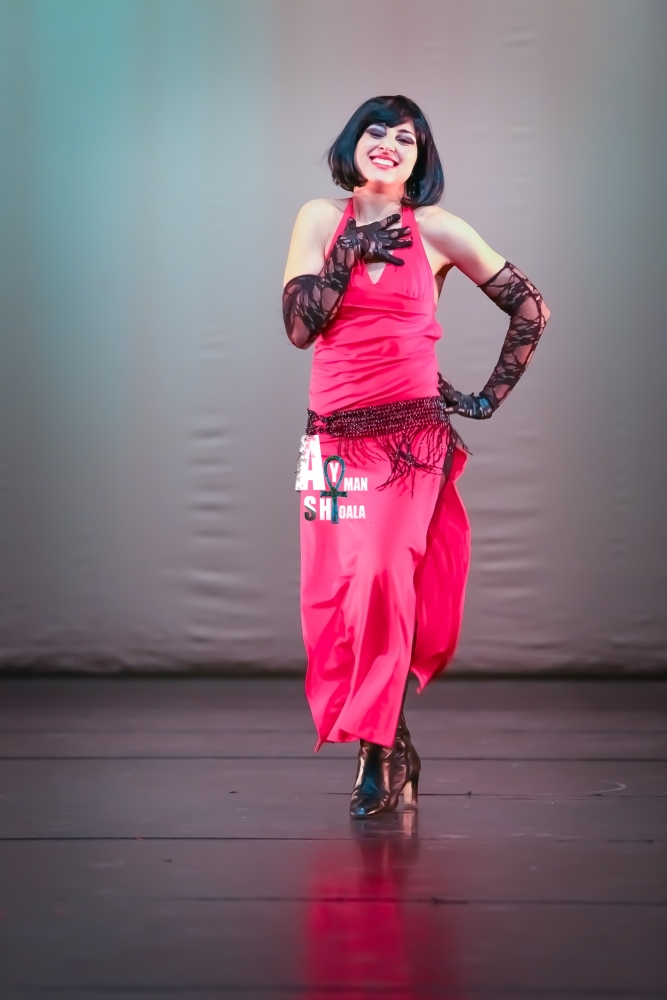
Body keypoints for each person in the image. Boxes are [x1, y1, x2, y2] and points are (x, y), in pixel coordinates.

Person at [283, 95, 550, 818]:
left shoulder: (435, 229)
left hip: (409, 439)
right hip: (329, 440)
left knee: (380, 577)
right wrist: (348, 252)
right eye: (375, 131)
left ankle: (375, 751)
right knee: (335, 595)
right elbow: (300, 328)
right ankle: (393, 742)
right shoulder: (318, 218)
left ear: (418, 160)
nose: (389, 143)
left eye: (406, 138)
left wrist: (488, 397)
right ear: (353, 144)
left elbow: (531, 308)